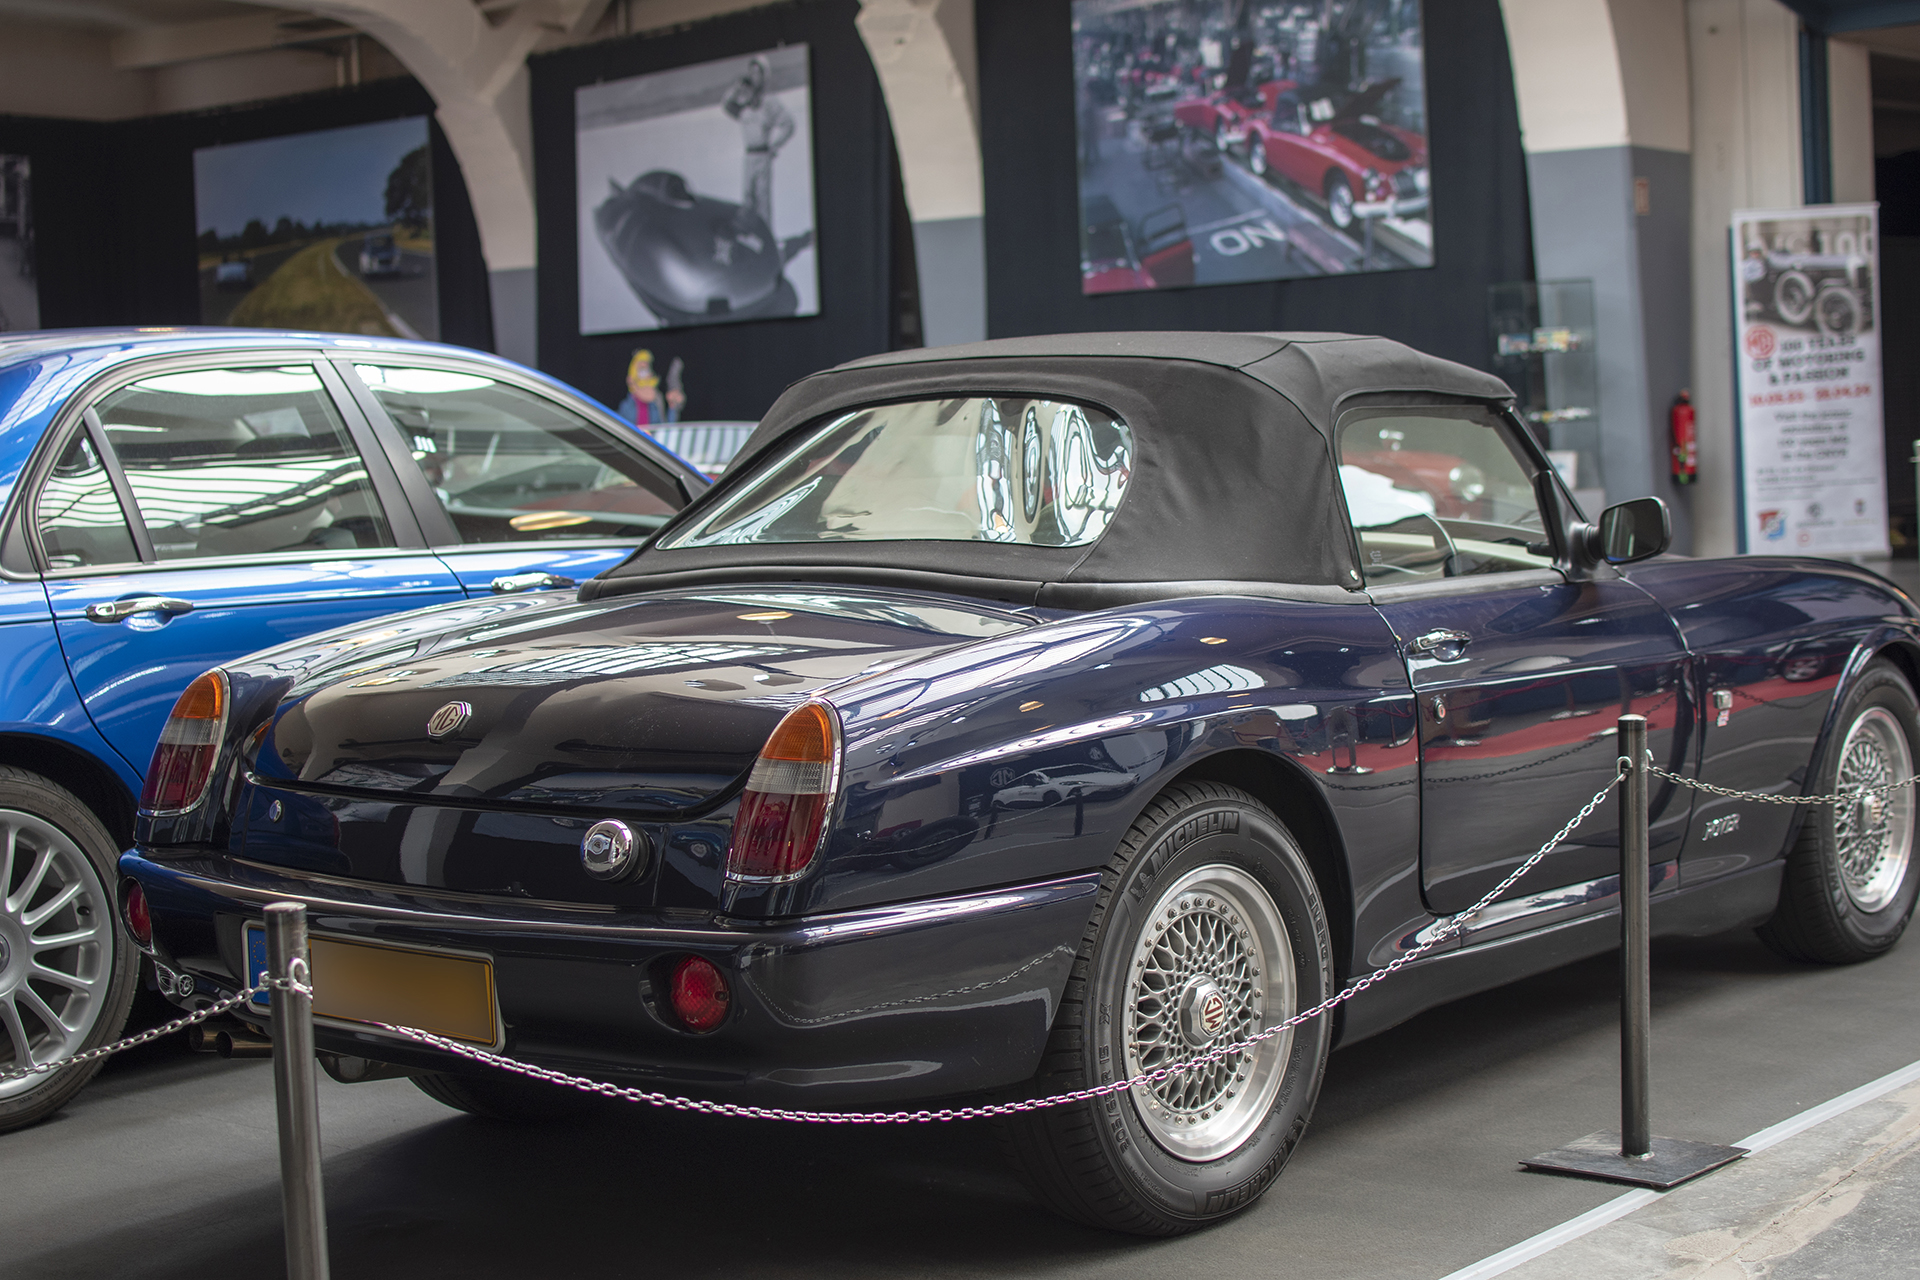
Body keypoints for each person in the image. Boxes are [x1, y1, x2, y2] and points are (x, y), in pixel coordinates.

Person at [723, 56, 795, 229]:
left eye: (758, 72)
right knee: (748, 200)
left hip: (763, 157)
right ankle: (749, 237)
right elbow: (726, 106)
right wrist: (736, 88)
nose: (754, 76)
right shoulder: (745, 103)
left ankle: (766, 240)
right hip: (749, 157)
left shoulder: (770, 102)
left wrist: (775, 146)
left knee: (763, 201)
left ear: (764, 76)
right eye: (751, 72)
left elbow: (789, 125)